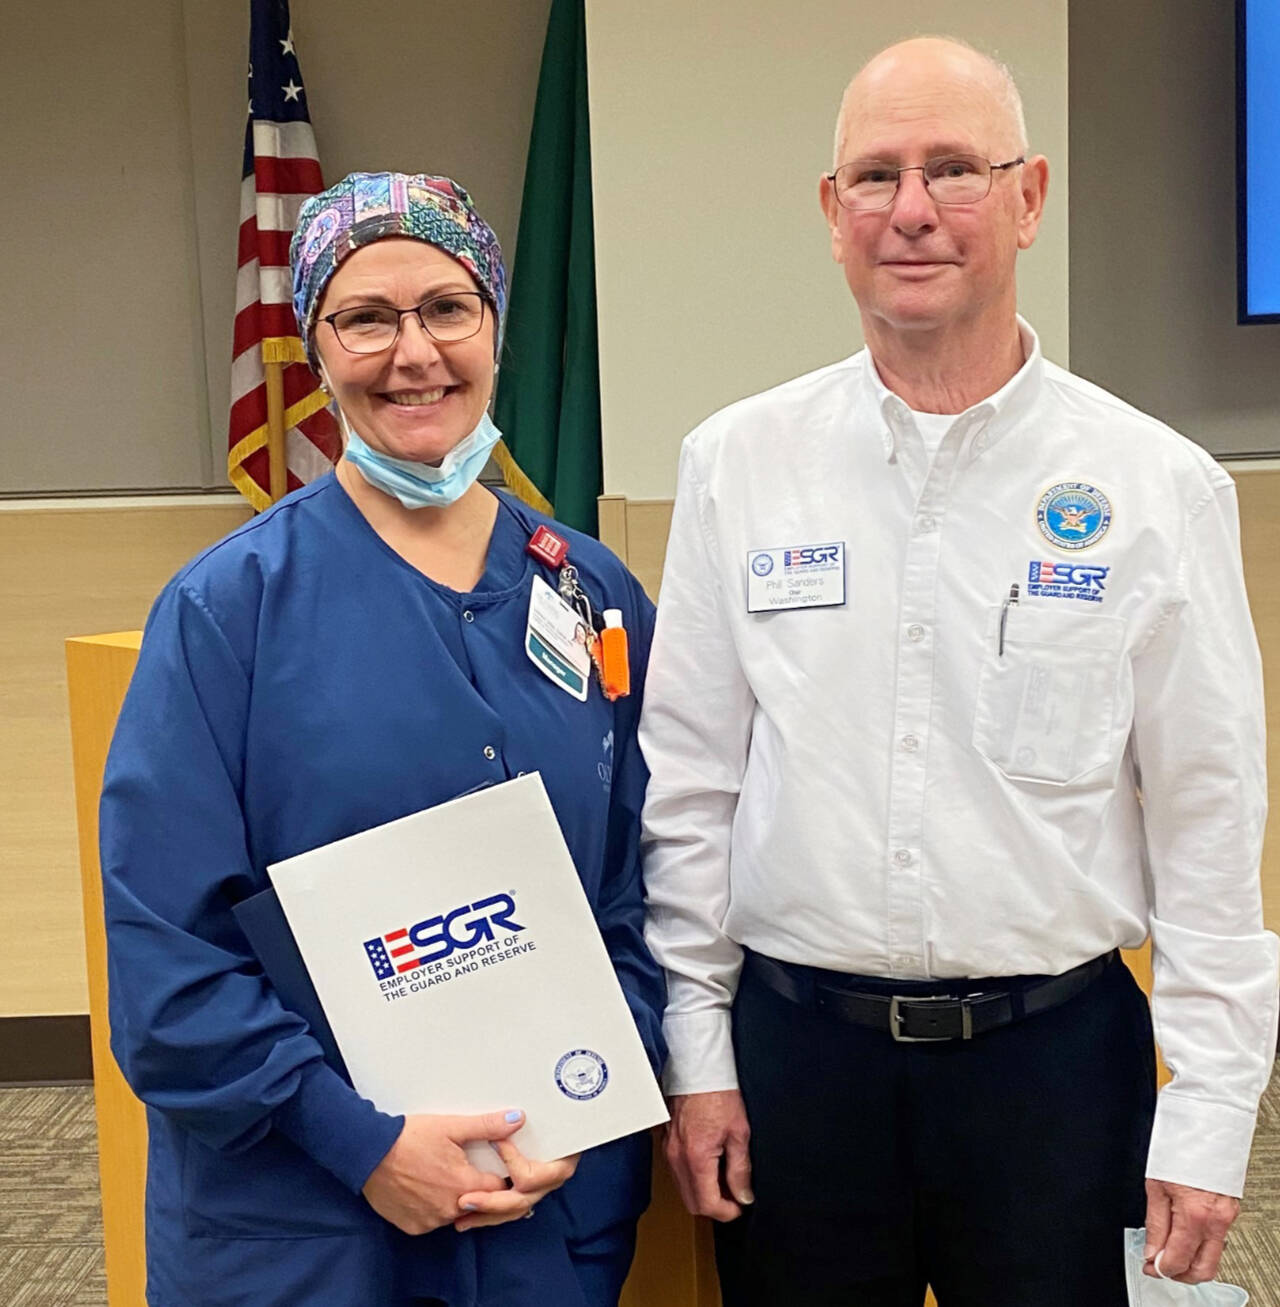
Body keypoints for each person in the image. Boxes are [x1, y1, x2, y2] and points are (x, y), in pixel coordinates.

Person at [639, 36, 1279, 1307]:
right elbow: (690, 787)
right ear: (831, 213)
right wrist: (696, 1048)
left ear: (1029, 196)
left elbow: (1210, 823)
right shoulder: (736, 463)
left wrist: (1209, 1112)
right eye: (875, 176)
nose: (912, 210)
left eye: (954, 169)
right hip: (793, 1073)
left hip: (1053, 1072)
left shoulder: (1154, 487)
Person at [100, 171, 665, 1307]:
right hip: (305, 1222)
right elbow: (167, 958)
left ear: (494, 328)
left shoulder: (590, 590)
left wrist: (597, 1088)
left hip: (544, 1198)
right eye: (367, 317)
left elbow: (657, 881)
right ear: (316, 348)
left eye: (448, 308)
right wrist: (360, 1142)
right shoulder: (229, 610)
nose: (415, 352)